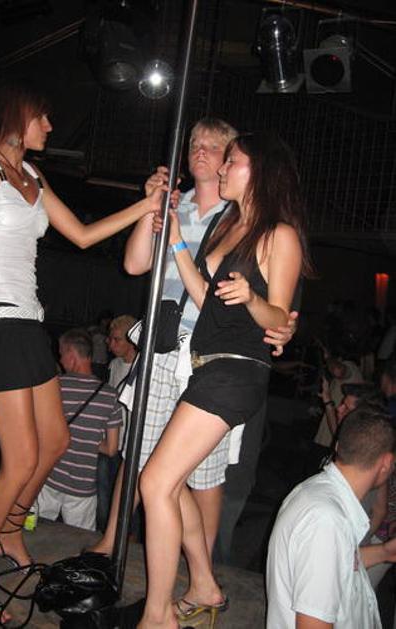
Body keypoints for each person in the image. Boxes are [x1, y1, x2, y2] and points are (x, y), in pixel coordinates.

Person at [0, 78, 163, 625]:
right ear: (18, 115)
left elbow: (82, 234)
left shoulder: (33, 175)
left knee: (55, 441)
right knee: (20, 461)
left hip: (28, 324)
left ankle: (9, 529)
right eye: (43, 117)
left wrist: (146, 206)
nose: (51, 127)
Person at [91, 118, 297, 563]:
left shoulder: (240, 216)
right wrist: (151, 207)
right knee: (141, 450)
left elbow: (271, 292)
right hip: (165, 341)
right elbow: (134, 264)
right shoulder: (178, 205)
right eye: (194, 144)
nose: (201, 152)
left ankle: (201, 566)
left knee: (203, 473)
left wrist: (280, 322)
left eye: (214, 147)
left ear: (234, 160)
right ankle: (114, 543)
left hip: (213, 352)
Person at [137, 130, 311, 628]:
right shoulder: (229, 224)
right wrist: (176, 239)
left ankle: (157, 614)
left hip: (237, 370)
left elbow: (278, 315)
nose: (221, 168)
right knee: (172, 485)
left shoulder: (279, 234)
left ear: (259, 171)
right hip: (206, 365)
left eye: (231, 160)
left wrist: (252, 299)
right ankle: (204, 585)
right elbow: (204, 297)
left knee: (155, 482)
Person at [266, 405, 396, 628]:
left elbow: (338, 564)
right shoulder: (326, 521)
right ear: (386, 463)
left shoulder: (320, 493)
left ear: (338, 446)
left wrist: (386, 552)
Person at [37, 328, 122, 531]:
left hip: (48, 477)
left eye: (61, 354)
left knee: (36, 531)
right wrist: (88, 440)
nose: (60, 360)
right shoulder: (110, 396)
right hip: (82, 487)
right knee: (80, 541)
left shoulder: (54, 387)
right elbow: (111, 449)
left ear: (71, 355)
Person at [97, 315, 137, 529]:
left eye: (116, 339)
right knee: (104, 494)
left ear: (132, 341)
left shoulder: (142, 368)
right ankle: (105, 534)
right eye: (110, 339)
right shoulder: (114, 365)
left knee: (127, 499)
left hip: (130, 445)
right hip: (110, 439)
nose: (110, 344)